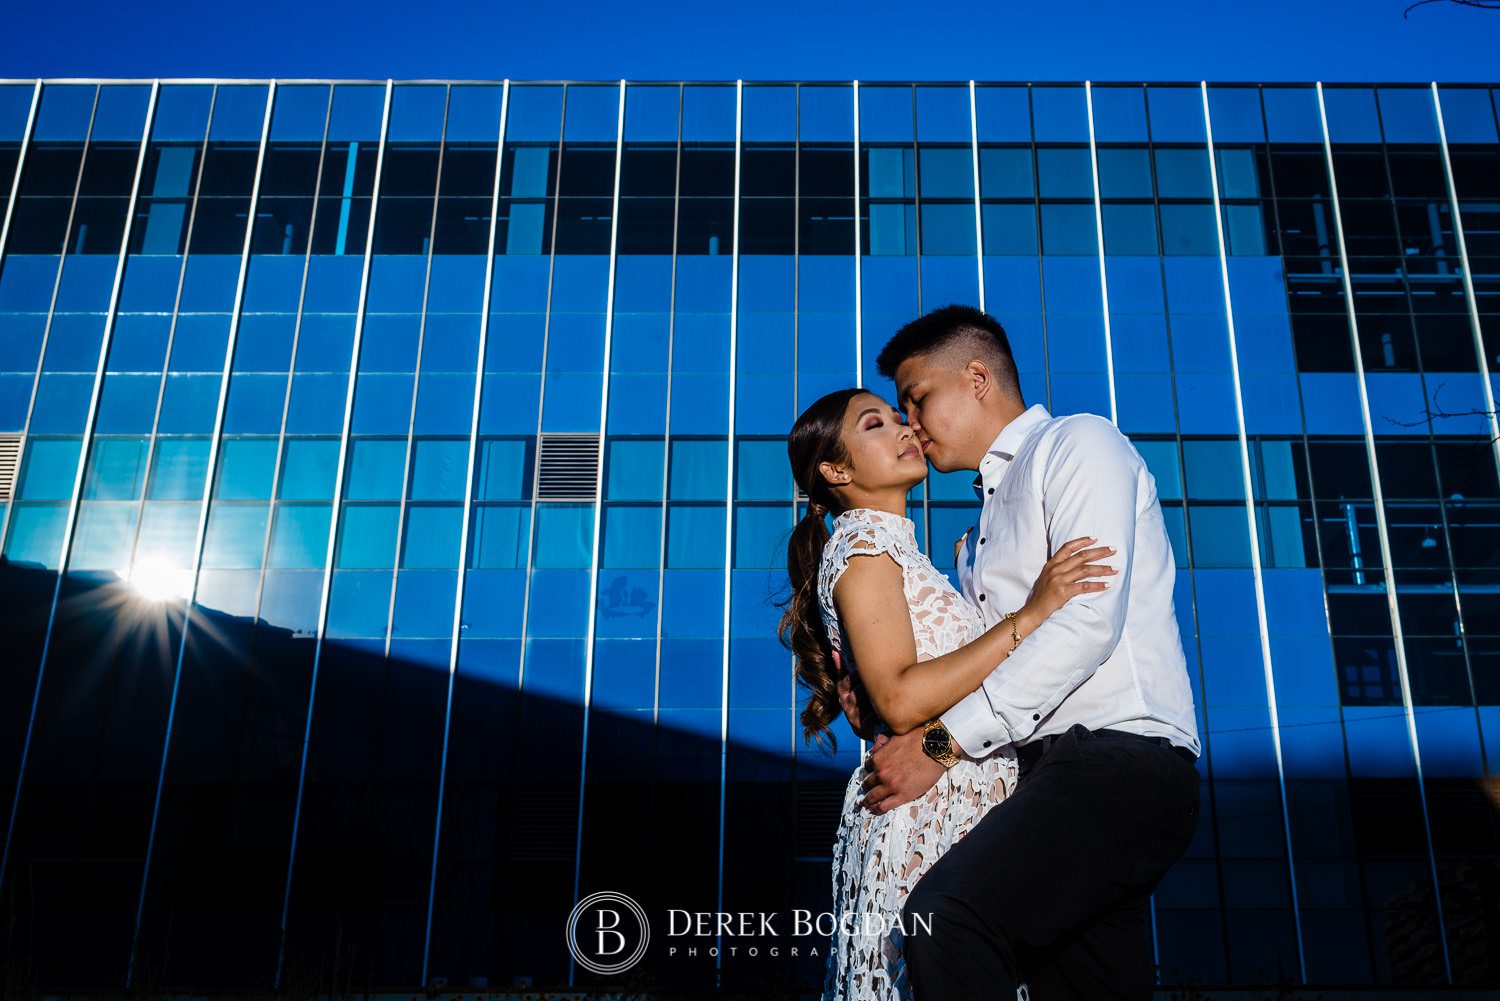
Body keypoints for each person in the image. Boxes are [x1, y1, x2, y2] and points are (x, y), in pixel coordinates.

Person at [843, 305, 1202, 1001]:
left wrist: (940, 747)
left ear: (976, 378)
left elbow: (1086, 620)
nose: (910, 422)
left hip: (1118, 762)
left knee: (945, 919)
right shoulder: (973, 540)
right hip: (1037, 779)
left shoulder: (1078, 444)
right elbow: (976, 666)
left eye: (918, 399)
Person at [778, 385, 1118, 1001]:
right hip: (922, 809)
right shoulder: (863, 549)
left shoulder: (904, 553)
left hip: (961, 799)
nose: (906, 430)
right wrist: (1031, 614)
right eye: (876, 424)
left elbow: (909, 685)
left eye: (900, 418)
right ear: (836, 469)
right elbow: (905, 700)